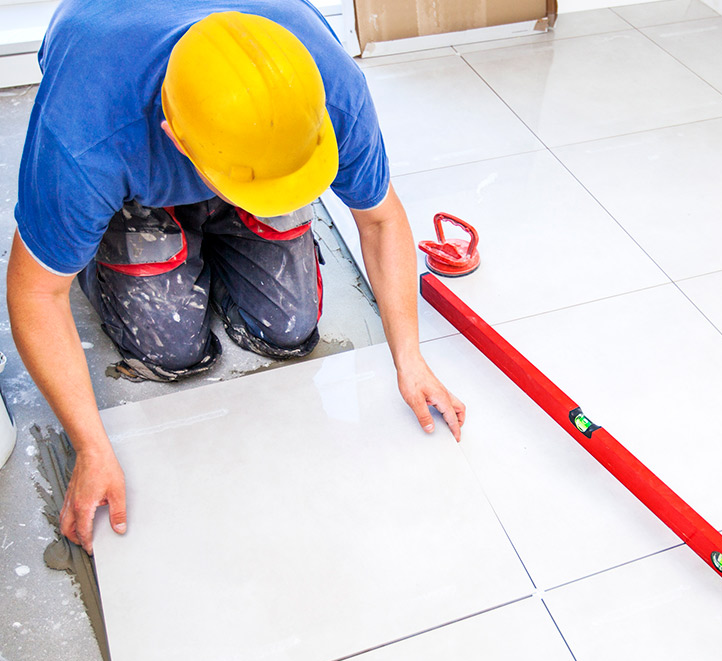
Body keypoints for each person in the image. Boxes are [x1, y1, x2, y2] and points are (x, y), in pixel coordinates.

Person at [5, 1, 465, 555]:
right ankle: (133, 229)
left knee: (289, 329)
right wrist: (91, 447)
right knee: (171, 349)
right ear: (174, 136)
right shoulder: (88, 132)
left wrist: (408, 358)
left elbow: (381, 220)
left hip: (246, 142)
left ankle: (233, 213)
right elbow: (36, 289)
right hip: (128, 135)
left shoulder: (324, 90)